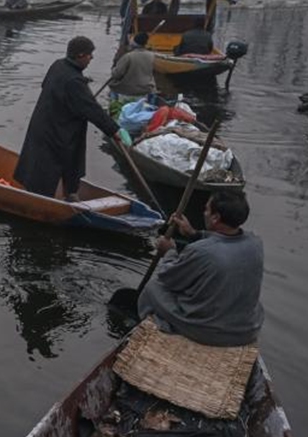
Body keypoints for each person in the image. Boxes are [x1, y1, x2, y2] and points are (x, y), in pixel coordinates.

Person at [139, 192, 264, 347]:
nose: (204, 213)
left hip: (209, 331)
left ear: (215, 218)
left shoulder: (202, 251)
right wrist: (194, 234)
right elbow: (220, 243)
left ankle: (164, 329)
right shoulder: (256, 242)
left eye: (206, 210)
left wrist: (169, 252)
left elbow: (169, 277)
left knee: (154, 288)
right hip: (246, 330)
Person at [13, 36, 131, 200]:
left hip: (45, 124)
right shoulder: (74, 81)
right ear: (80, 55)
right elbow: (92, 110)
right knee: (52, 166)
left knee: (54, 164)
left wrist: (82, 86)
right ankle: (43, 200)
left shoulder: (58, 65)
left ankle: (67, 195)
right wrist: (114, 130)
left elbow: (51, 87)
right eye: (90, 55)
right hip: (58, 132)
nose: (91, 58)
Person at [107, 31, 156, 99]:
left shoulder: (128, 57)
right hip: (145, 90)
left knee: (113, 89)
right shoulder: (152, 56)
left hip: (127, 91)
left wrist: (113, 69)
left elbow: (116, 74)